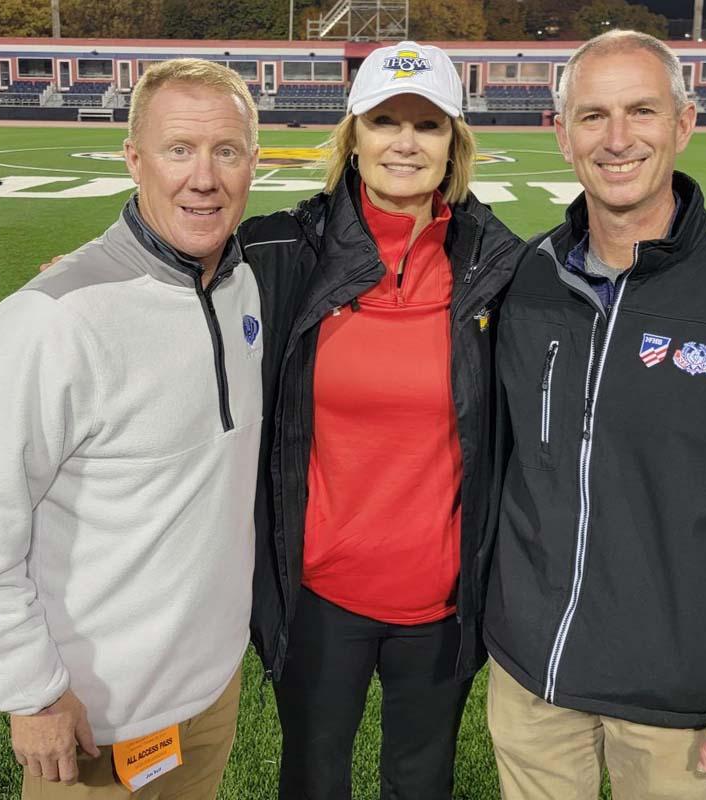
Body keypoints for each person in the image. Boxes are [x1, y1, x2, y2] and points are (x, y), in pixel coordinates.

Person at [484, 30, 706, 799]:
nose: (617, 139)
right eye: (592, 116)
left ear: (684, 123)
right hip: (531, 682)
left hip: (676, 709)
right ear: (560, 132)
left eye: (641, 111)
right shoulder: (525, 282)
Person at [0, 59, 262, 799]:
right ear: (134, 158)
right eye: (178, 149)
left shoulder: (246, 283)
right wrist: (32, 692)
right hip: (91, 725)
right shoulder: (52, 319)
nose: (203, 177)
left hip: (206, 698)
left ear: (253, 163)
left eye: (226, 151)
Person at [240, 41, 522, 799]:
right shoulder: (281, 251)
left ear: (454, 144)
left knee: (420, 783)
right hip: (320, 593)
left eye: (428, 125)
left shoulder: (504, 268)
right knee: (311, 778)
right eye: (385, 120)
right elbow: (176, 267)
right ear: (353, 136)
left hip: (442, 605)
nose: (405, 141)